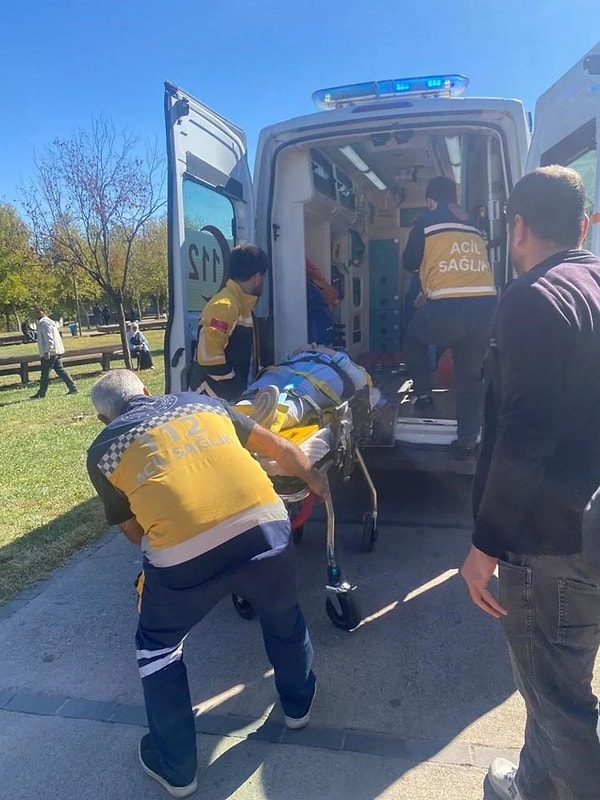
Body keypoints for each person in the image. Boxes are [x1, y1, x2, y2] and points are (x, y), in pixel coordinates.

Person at [87, 369, 327, 797]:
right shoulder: (204, 404)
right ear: (146, 390)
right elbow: (282, 450)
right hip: (268, 527)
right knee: (281, 612)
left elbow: (135, 533)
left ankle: (177, 768)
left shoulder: (104, 449)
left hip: (182, 560)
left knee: (157, 648)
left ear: (105, 419)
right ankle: (298, 706)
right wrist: (315, 480)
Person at [460, 166, 600, 800]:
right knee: (557, 678)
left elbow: (525, 434)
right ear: (584, 224)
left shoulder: (531, 296)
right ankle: (536, 784)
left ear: (517, 227)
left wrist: (484, 547)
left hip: (552, 536)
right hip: (591, 521)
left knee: (555, 691)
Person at [402, 176, 497, 459]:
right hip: (484, 307)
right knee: (469, 376)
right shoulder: (475, 226)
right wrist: (429, 289)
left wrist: (425, 288)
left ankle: (423, 394)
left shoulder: (427, 220)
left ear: (431, 200)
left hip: (448, 308)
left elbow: (409, 262)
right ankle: (467, 439)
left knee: (413, 337)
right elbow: (461, 268)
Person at [194, 244, 268, 401]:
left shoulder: (241, 305)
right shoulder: (225, 305)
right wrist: (234, 389)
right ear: (257, 278)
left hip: (226, 399)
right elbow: (209, 358)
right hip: (214, 403)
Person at [30, 306, 78, 399]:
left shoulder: (45, 323)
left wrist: (47, 351)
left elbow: (49, 338)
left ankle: (41, 393)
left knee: (45, 373)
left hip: (50, 352)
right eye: (36, 312)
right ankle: (73, 388)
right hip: (55, 351)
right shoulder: (45, 323)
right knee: (60, 370)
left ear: (44, 312)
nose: (36, 314)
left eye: (38, 312)